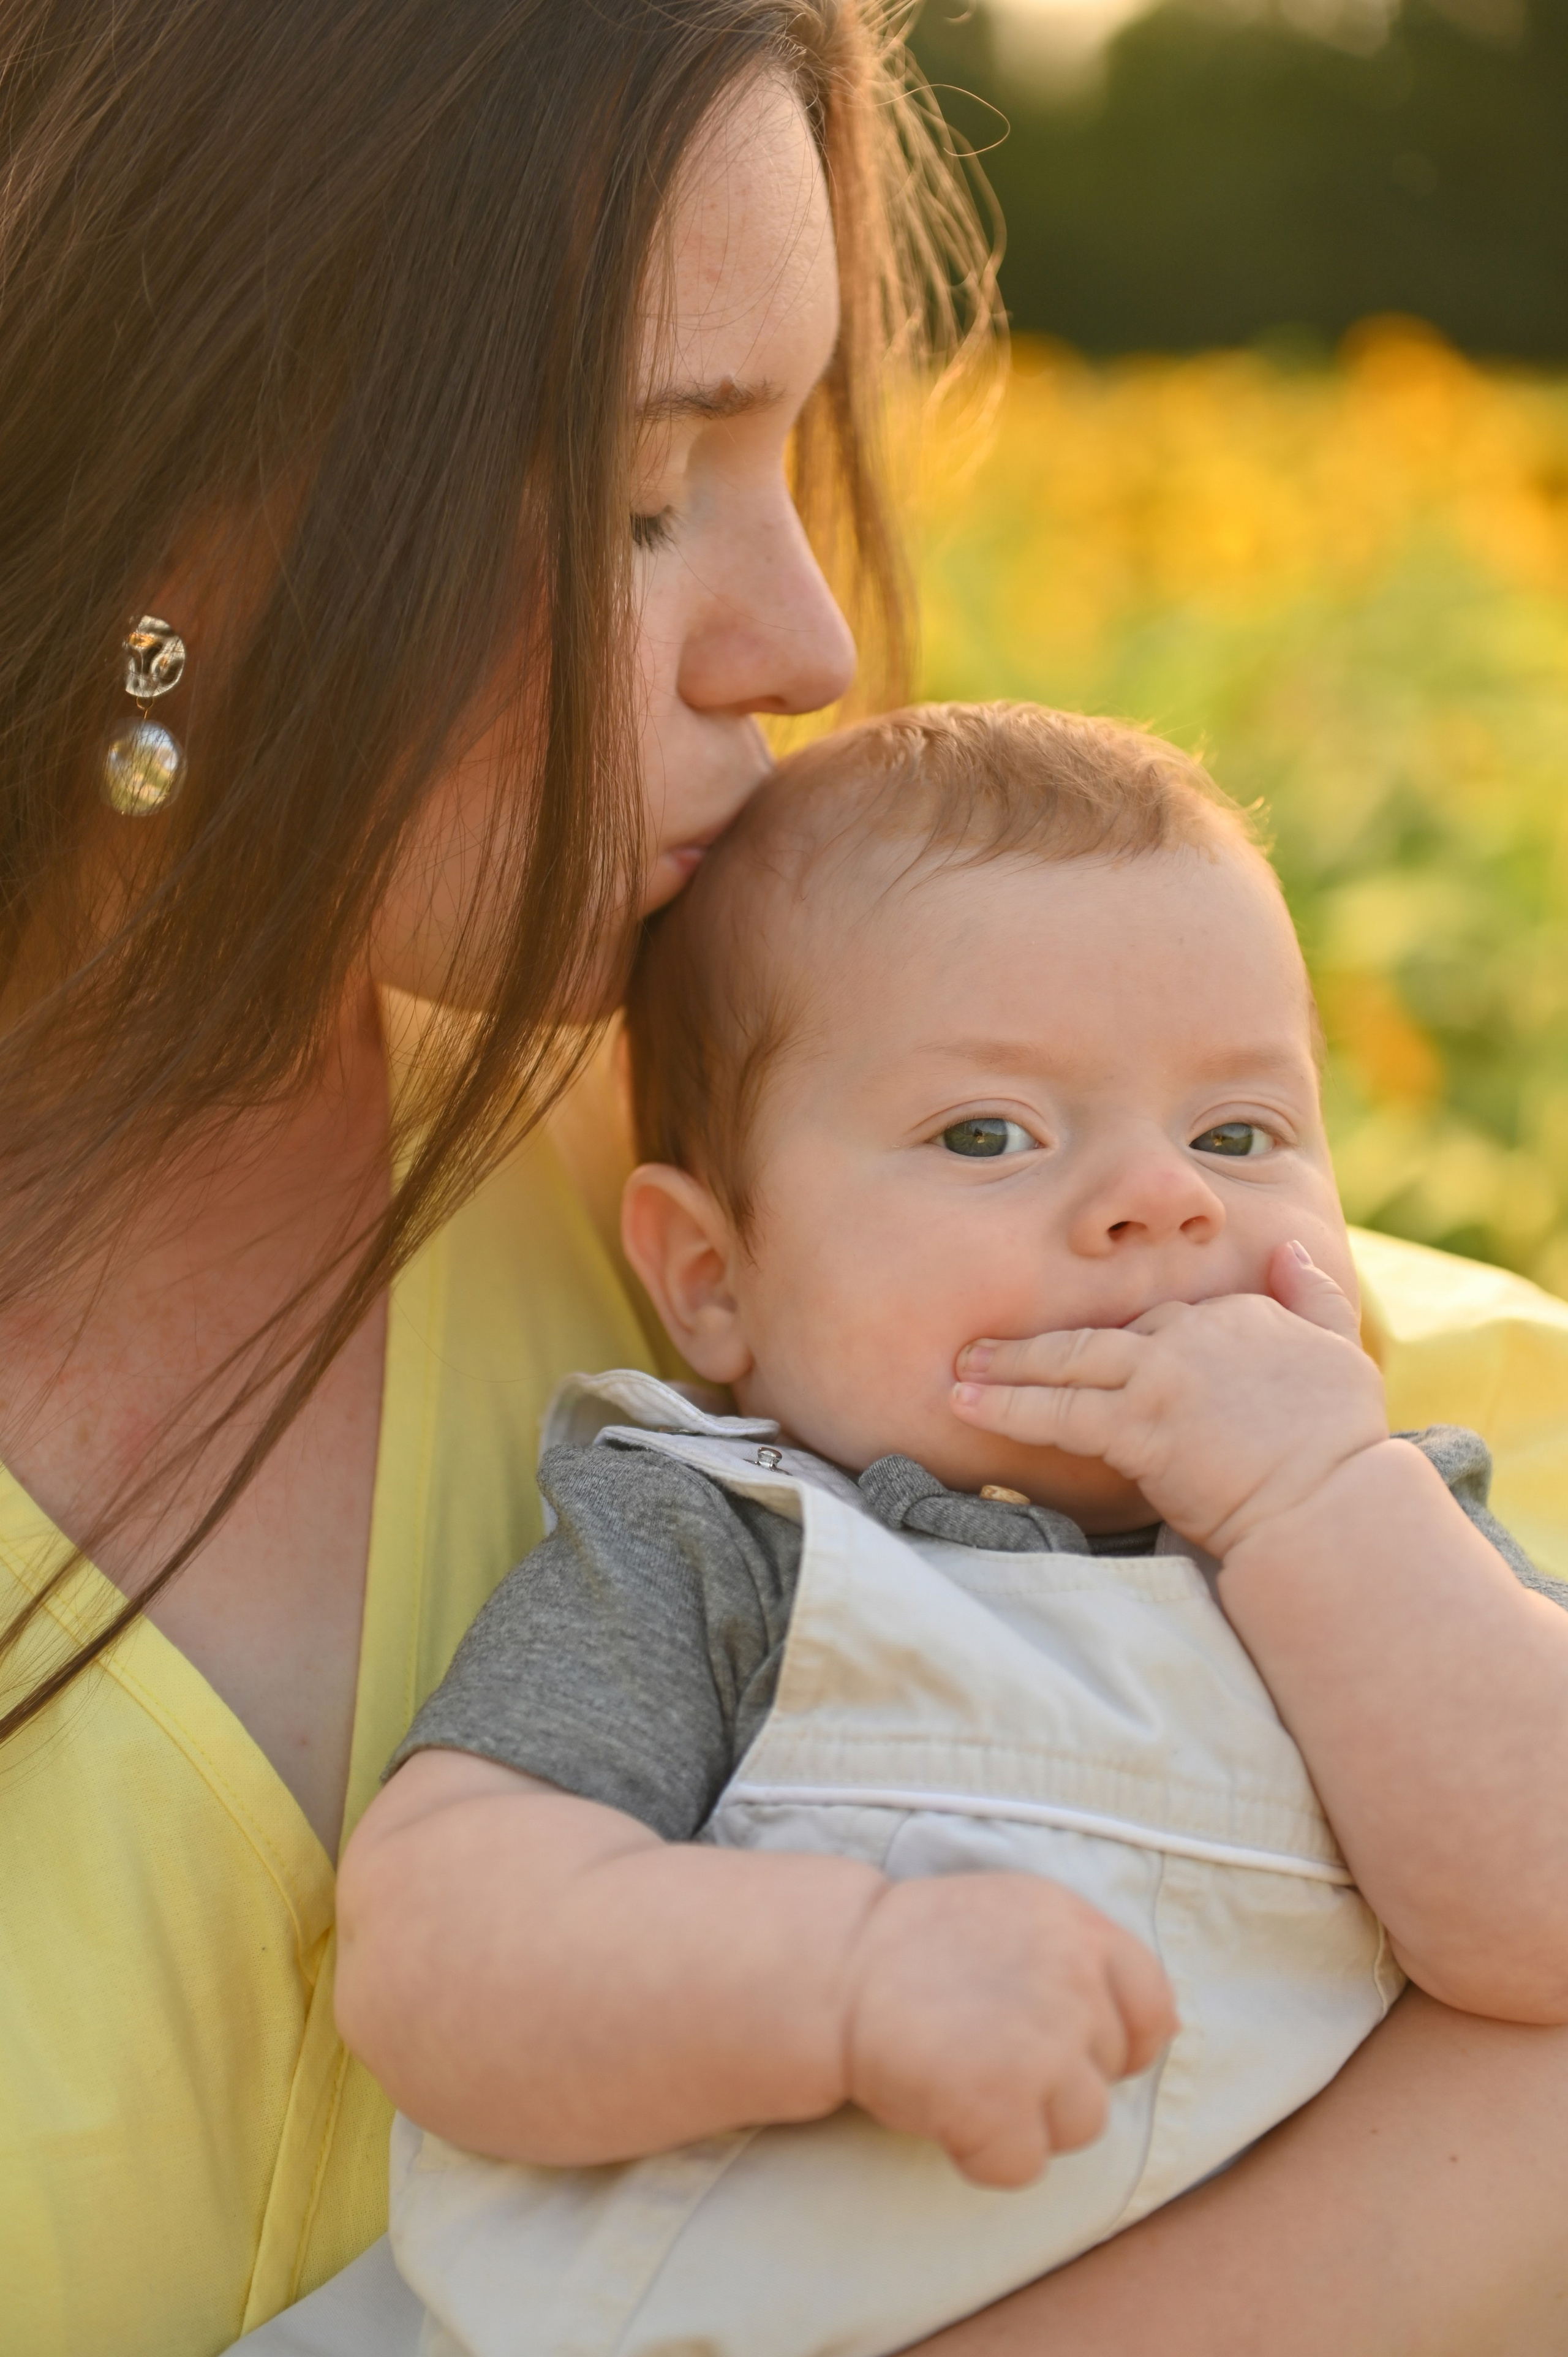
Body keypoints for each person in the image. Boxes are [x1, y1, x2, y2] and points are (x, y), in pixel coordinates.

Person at [1, 6, 1566, 2356]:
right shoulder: (745, 1354)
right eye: (644, 501)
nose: (808, 642)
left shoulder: (950, 1239)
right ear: (145, 508)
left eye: (789, 461)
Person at [331, 705, 1568, 2357]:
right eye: (989, 1135)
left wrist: (1317, 1500)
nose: (1165, 1200)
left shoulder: (1391, 1538)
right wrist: (839, 1976)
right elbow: (438, 1952)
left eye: (1239, 1136)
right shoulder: (727, 1546)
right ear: (715, 1277)